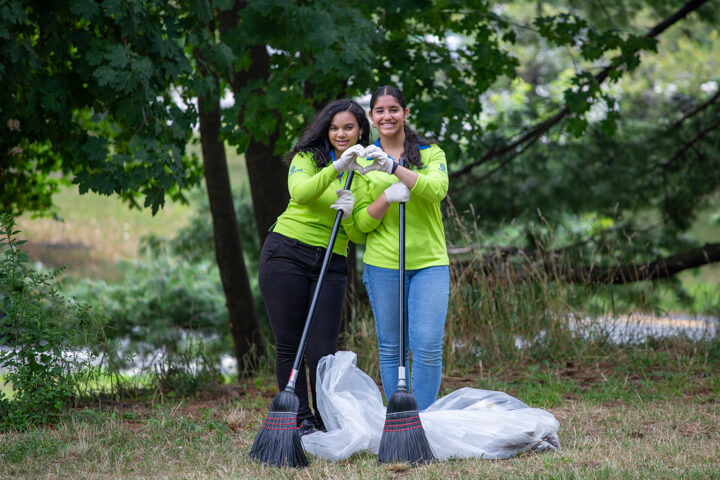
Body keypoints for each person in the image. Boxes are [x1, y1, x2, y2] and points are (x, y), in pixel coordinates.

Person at [258, 99, 370, 435]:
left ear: (361, 130)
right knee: (290, 343)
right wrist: (337, 168)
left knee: (323, 350)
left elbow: (358, 233)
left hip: (332, 262)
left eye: (348, 127)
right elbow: (301, 193)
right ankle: (300, 418)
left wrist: (351, 215)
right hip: (286, 253)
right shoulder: (308, 158)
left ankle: (325, 417)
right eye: (334, 127)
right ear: (326, 129)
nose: (341, 134)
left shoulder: (365, 174)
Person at [356, 85, 450, 411]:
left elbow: (437, 189)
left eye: (394, 109)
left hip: (429, 262)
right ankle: (400, 419)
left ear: (405, 114)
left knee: (426, 346)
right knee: (392, 349)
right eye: (379, 111)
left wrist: (395, 168)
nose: (387, 116)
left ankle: (422, 421)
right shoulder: (363, 161)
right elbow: (360, 227)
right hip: (383, 264)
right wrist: (385, 197)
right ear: (371, 116)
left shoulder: (430, 152)